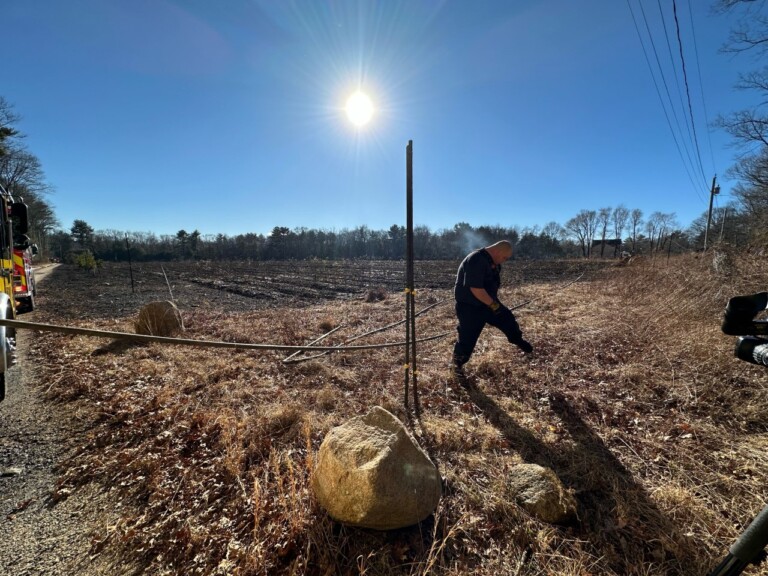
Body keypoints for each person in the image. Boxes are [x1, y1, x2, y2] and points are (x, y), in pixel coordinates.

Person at [452, 240, 532, 375]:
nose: (504, 261)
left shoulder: (493, 263)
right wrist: (494, 305)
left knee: (507, 318)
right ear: (498, 251)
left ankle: (518, 340)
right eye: (504, 257)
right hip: (470, 307)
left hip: (487, 303)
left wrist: (495, 305)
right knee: (467, 338)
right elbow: (476, 289)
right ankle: (457, 366)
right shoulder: (476, 260)